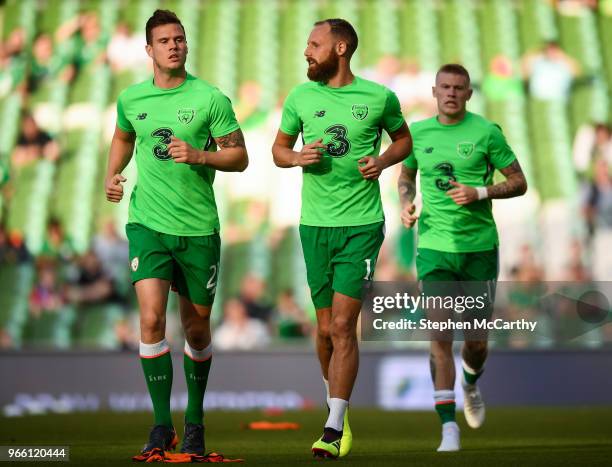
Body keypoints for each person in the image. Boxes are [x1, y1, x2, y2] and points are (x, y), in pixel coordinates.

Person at [104, 10, 248, 463]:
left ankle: (196, 421)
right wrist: (112, 174)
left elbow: (240, 156)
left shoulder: (210, 98)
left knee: (196, 328)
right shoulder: (131, 98)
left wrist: (202, 155)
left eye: (180, 39)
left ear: (186, 46)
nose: (174, 45)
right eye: (164, 40)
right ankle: (161, 424)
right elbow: (124, 137)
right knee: (150, 321)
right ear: (149, 49)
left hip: (198, 230)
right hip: (147, 223)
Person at [272, 18, 412, 459]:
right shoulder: (300, 97)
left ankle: (333, 427)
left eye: (314, 44)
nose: (306, 51)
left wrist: (383, 160)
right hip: (314, 226)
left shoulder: (377, 97)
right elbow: (277, 151)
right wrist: (296, 158)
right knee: (324, 332)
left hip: (361, 225)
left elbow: (404, 140)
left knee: (342, 327)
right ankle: (339, 402)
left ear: (341, 48)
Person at [398, 64, 527, 452]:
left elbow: (519, 181)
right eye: (445, 87)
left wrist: (480, 192)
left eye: (459, 88)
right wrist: (407, 203)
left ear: (469, 94)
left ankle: (470, 384)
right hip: (435, 249)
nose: (451, 93)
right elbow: (405, 176)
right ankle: (448, 428)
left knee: (475, 342)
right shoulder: (417, 134)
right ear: (434, 91)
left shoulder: (487, 132)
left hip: (479, 251)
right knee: (439, 335)